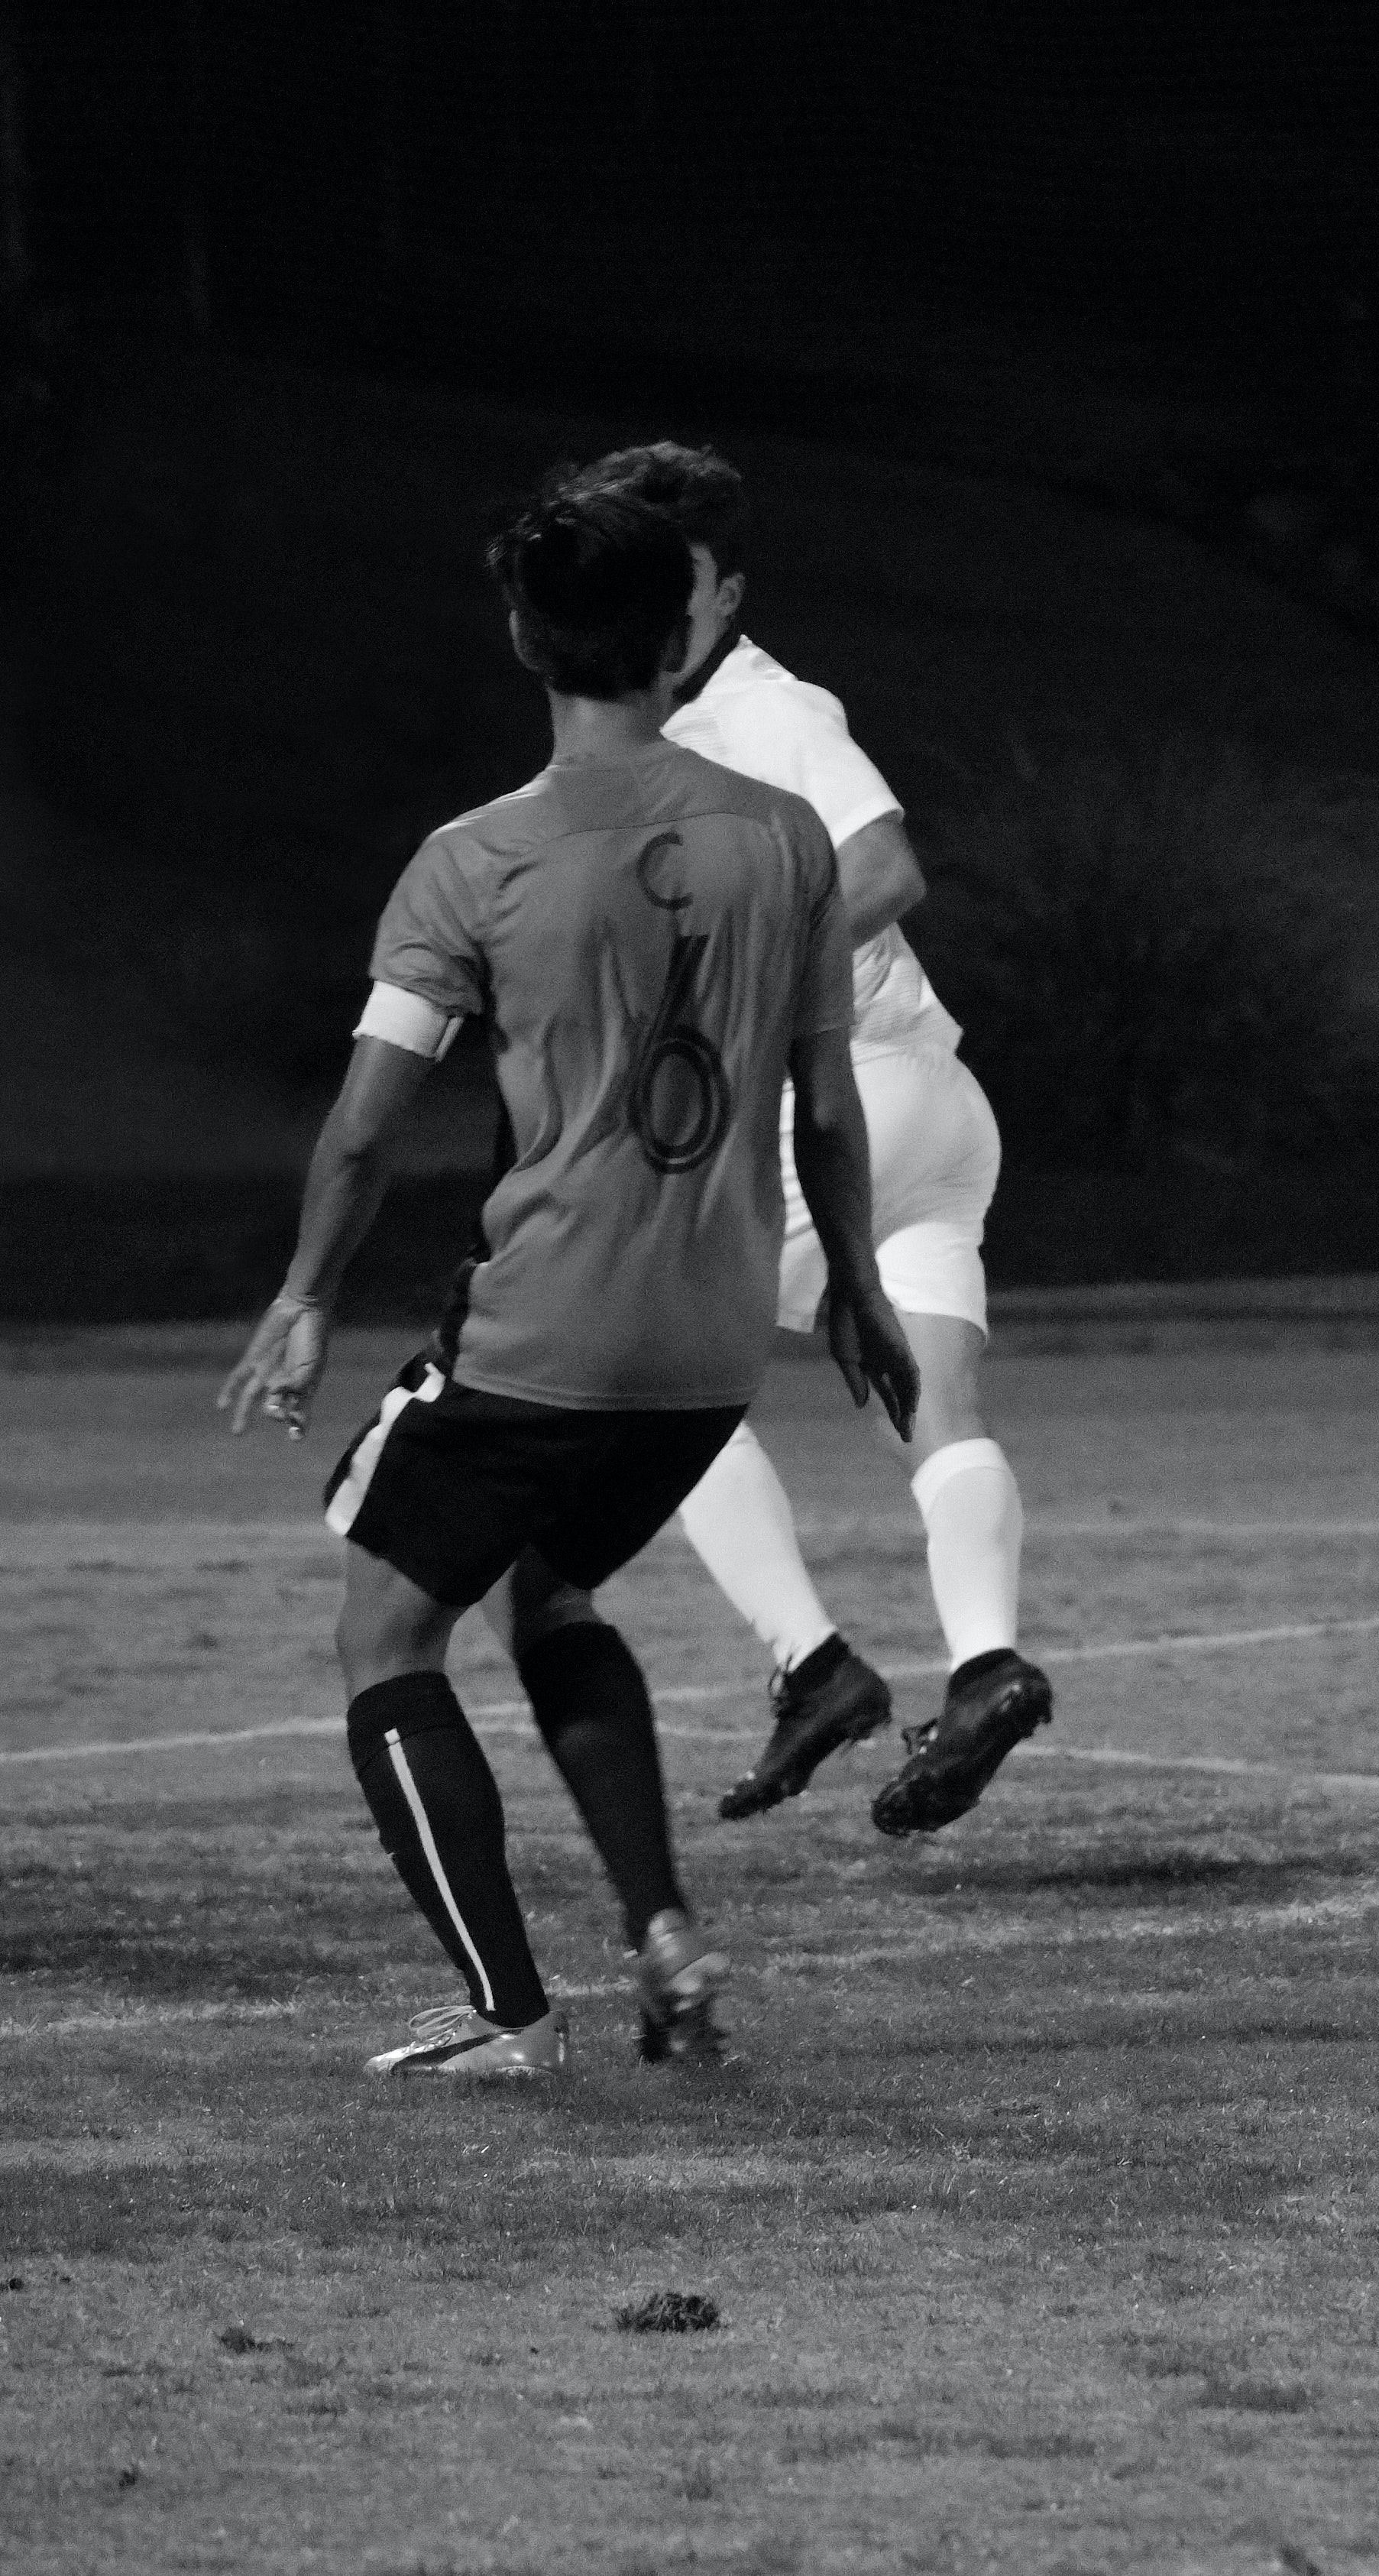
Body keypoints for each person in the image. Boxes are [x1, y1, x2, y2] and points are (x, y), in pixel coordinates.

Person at [217, 476, 918, 2077]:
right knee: (555, 1591)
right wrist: (859, 1286)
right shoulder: (788, 837)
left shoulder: (477, 860)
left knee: (383, 1636)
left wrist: (307, 1290)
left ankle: (503, 2011)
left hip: (544, 1329)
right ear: (682, 639)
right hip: (712, 1341)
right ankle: (662, 1928)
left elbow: (364, 1127)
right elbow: (828, 1098)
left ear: (525, 637)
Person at [569, 442, 1052, 1838]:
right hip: (937, 1112)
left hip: (841, 1104)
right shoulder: (662, 720)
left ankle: (813, 1663)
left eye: (679, 568)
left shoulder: (769, 709)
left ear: (724, 590)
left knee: (638, 1378)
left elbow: (889, 866)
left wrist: (744, 987)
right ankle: (986, 1664)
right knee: (938, 1402)